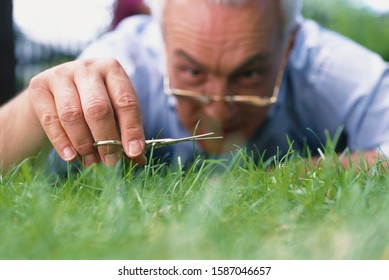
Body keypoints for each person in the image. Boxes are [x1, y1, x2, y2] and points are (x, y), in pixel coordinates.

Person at [1, 0, 388, 174]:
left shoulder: (327, 66)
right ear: (161, 39)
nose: (218, 112)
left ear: (288, 46)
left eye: (249, 76)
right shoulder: (123, 63)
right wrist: (40, 107)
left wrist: (298, 173)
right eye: (192, 74)